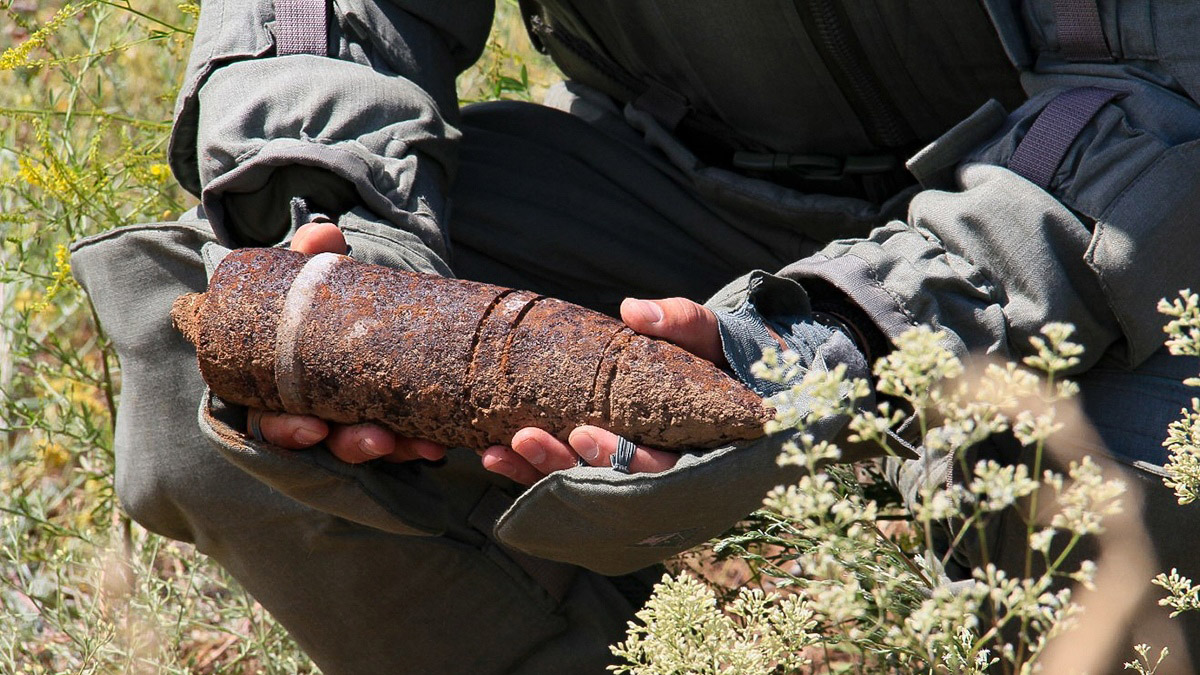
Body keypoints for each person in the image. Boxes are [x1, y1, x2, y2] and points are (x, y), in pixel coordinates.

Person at [69, 0, 1200, 672]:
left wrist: (815, 348)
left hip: (1117, 222)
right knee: (201, 372)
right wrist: (332, 218)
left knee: (1083, 489)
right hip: (681, 184)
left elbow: (1160, 111)